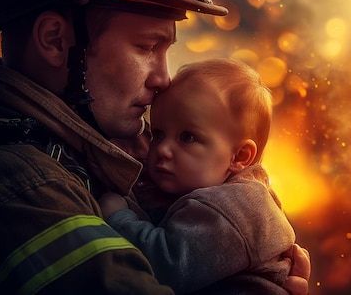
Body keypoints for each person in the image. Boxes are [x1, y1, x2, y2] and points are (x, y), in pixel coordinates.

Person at [0, 0, 310, 294]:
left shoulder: (98, 153)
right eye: (147, 47)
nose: (163, 78)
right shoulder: (23, 191)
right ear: (54, 40)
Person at [100, 58, 296, 294]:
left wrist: (118, 216)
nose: (162, 149)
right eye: (159, 134)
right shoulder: (204, 189)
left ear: (239, 157)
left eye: (187, 137)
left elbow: (164, 267)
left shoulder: (234, 209)